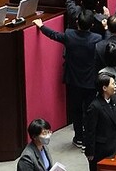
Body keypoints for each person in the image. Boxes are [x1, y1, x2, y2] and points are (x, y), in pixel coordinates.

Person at [35, 10, 101, 148]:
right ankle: (89, 138)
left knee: (76, 110)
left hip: (73, 80)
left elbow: (54, 35)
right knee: (90, 110)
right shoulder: (97, 38)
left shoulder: (70, 35)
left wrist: (42, 26)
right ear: (92, 24)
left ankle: (79, 137)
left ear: (77, 22)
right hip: (90, 81)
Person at [85, 72, 116, 171]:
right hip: (100, 151)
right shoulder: (94, 106)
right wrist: (90, 152)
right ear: (104, 88)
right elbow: (90, 132)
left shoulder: (114, 100)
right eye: (113, 84)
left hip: (114, 147)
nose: (115, 86)